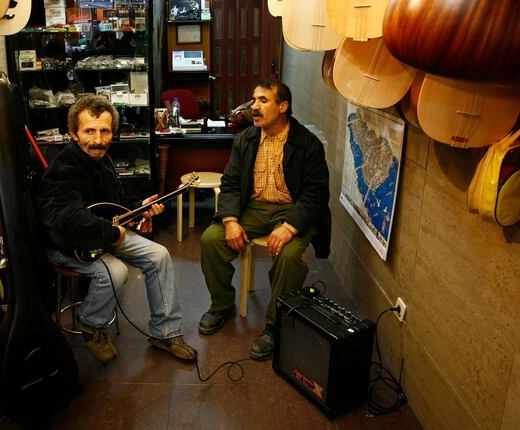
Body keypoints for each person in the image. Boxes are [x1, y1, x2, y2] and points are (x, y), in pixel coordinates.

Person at [38, 95, 198, 363]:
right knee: (116, 271)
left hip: (102, 236)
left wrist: (140, 207)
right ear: (73, 133)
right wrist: (112, 234)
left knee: (159, 255)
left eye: (105, 131)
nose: (98, 140)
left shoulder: (103, 159)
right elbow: (66, 219)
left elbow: (115, 203)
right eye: (89, 131)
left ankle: (165, 333)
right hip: (67, 245)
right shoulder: (63, 169)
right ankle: (92, 323)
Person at [199, 79, 331, 360]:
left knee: (290, 255)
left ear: (283, 107)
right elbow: (232, 182)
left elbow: (316, 194)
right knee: (211, 239)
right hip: (254, 207)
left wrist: (290, 227)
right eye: (253, 100)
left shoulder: (307, 144)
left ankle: (274, 324)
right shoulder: (245, 139)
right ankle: (222, 306)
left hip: (291, 209)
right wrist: (231, 219)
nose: (254, 107)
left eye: (262, 101)